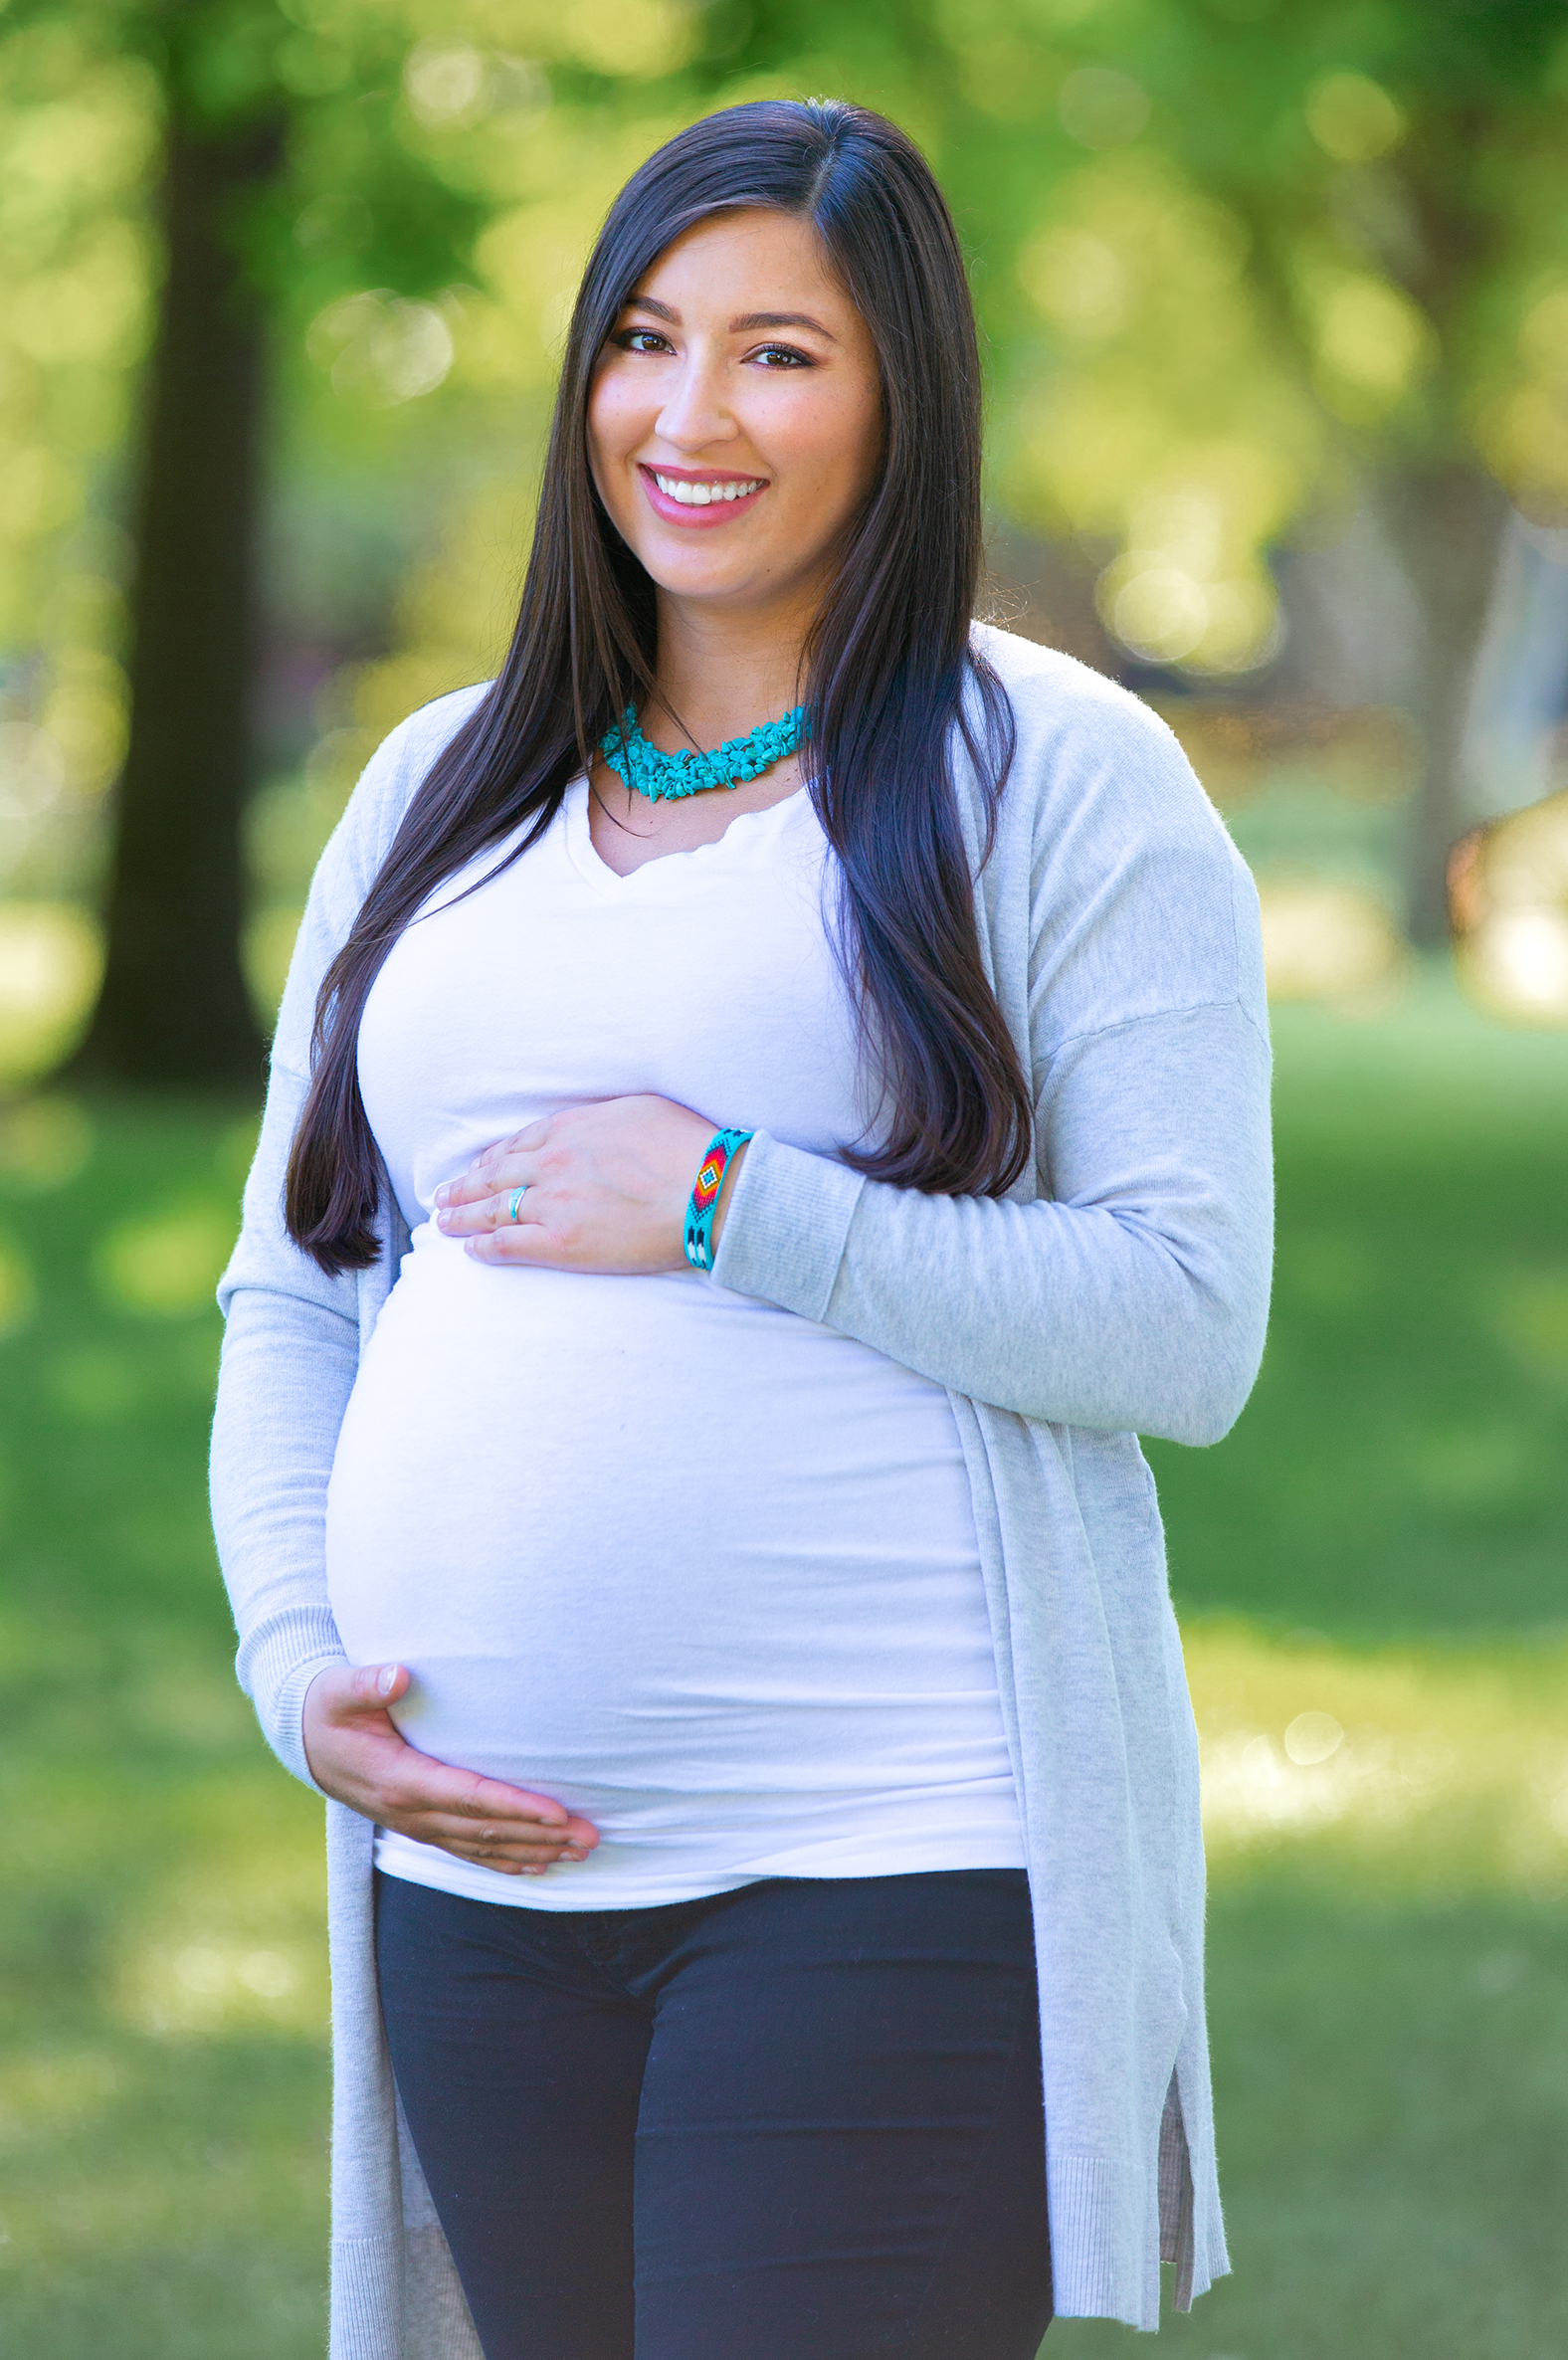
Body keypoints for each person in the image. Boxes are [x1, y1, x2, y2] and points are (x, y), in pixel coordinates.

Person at [211, 97, 1273, 2360]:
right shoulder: (434, 785)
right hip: (478, 1885)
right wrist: (296, 1661)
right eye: (644, 339)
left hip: (887, 1867)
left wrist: (726, 1206)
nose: (688, 417)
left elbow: (1184, 1325)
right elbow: (296, 1289)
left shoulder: (1050, 774)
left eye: (778, 353)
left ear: (901, 391)